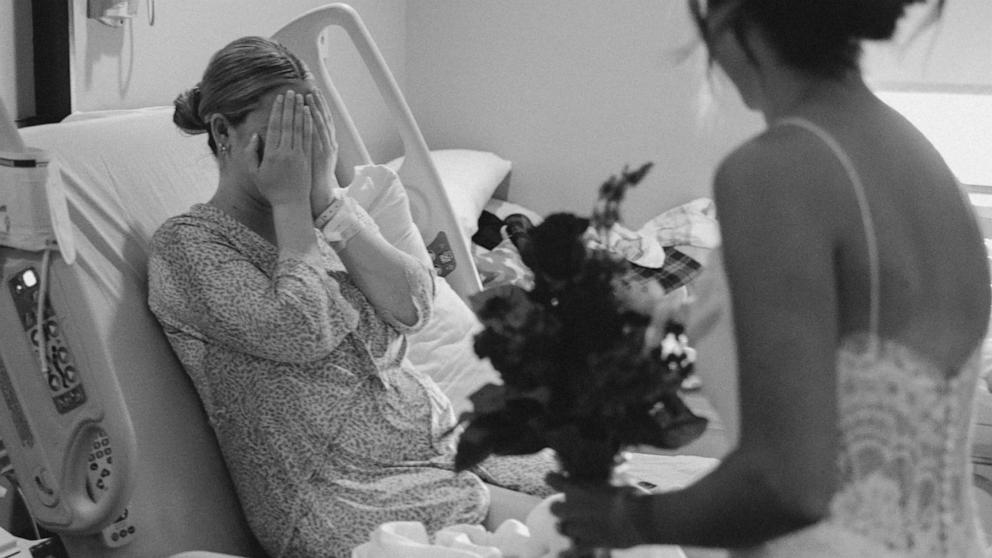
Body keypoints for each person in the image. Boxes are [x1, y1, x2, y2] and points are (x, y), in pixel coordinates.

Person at [549, 0, 992, 556]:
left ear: (728, 19)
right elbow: (859, 348)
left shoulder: (774, 170)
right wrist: (670, 313)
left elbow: (786, 484)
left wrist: (629, 518)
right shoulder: (928, 163)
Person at [147, 36, 551, 558]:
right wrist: (291, 203)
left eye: (311, 135)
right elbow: (300, 330)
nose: (302, 156)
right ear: (224, 132)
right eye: (284, 138)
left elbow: (412, 305)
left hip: (438, 458)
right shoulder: (189, 245)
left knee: (614, 517)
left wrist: (327, 203)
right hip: (345, 498)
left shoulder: (323, 218)